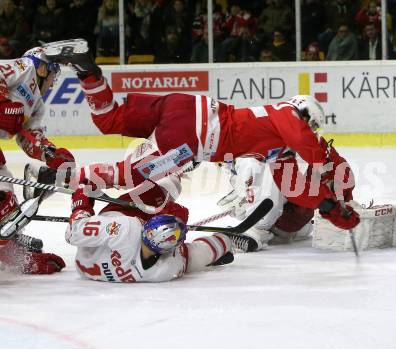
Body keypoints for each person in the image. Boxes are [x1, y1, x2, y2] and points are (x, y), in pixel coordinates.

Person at [46, 39, 359, 232]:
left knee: (109, 120)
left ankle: (86, 69)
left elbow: (294, 185)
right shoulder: (286, 117)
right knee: (136, 173)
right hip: (193, 136)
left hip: (184, 106)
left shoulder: (278, 140)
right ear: (302, 113)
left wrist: (328, 207)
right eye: (311, 125)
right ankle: (66, 178)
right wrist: (325, 171)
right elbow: (306, 144)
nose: (310, 131)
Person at [65, 177, 235, 283]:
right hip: (87, 267)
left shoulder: (126, 229)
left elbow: (73, 232)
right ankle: (227, 239)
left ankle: (226, 240)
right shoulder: (165, 269)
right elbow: (175, 243)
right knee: (197, 254)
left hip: (95, 249)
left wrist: (81, 199)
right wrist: (178, 225)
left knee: (163, 189)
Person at [0, 45, 74, 274]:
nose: (53, 80)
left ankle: (11, 250)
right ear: (43, 68)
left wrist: (51, 154)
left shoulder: (36, 104)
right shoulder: (23, 68)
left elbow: (29, 136)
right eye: (53, 72)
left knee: (5, 192)